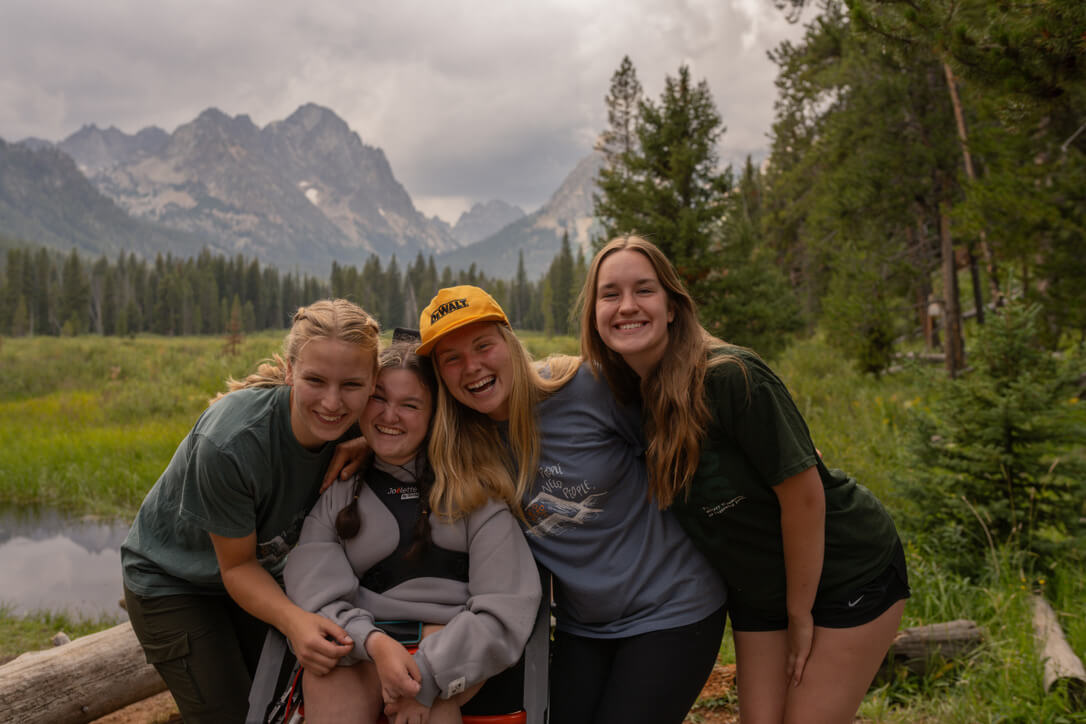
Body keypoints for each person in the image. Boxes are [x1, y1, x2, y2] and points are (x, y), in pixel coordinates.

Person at [579, 235, 909, 724]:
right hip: (758, 595)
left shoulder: (729, 376)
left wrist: (801, 617)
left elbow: (805, 499)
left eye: (644, 290)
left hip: (845, 575)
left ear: (672, 306)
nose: (627, 306)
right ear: (594, 314)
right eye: (610, 294)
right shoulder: (627, 395)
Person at [413, 285, 728, 724]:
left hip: (672, 608)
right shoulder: (459, 445)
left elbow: (686, 427)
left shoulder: (588, 389)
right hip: (583, 625)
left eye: (483, 345)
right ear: (440, 376)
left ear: (509, 341)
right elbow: (387, 423)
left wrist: (766, 462)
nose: (473, 367)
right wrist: (350, 447)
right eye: (452, 359)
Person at [121, 299, 381, 723]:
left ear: (374, 382)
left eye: (352, 385)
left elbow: (431, 409)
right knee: (231, 714)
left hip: (260, 573)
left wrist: (371, 442)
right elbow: (237, 567)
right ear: (290, 371)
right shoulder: (230, 443)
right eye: (315, 380)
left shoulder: (363, 422)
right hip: (173, 582)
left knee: (283, 704)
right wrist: (295, 622)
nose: (333, 403)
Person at [283, 338, 541, 724]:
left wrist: (427, 676)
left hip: (449, 649)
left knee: (434, 705)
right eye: (379, 398)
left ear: (435, 413)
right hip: (358, 646)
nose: (391, 415)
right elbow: (313, 596)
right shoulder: (338, 489)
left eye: (410, 404)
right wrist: (373, 643)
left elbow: (504, 607)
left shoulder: (477, 494)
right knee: (329, 682)